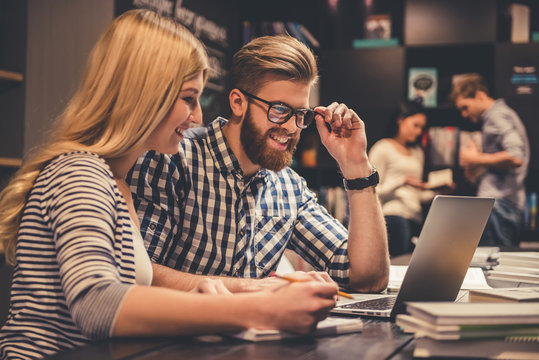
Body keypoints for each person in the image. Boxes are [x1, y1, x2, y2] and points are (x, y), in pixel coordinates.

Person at [0, 10, 339, 359]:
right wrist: (261, 307)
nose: (198, 117)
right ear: (144, 96)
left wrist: (225, 294)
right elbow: (97, 304)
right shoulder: (79, 173)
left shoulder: (118, 184)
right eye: (188, 99)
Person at [128, 34, 390, 293]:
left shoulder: (289, 188)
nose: (290, 127)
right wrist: (256, 289)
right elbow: (138, 273)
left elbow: (366, 277)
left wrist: (356, 167)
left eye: (300, 114)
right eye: (279, 110)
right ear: (238, 102)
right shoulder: (173, 159)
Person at [451, 73, 530, 246]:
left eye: (465, 107)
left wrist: (477, 158)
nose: (464, 114)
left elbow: (516, 157)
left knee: (490, 268)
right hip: (503, 204)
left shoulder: (496, 115)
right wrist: (477, 166)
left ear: (480, 95)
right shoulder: (498, 116)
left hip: (498, 206)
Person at [368, 101, 435, 256]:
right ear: (401, 120)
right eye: (415, 125)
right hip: (394, 216)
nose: (419, 131)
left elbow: (416, 195)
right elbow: (372, 191)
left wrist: (439, 191)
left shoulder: (418, 151)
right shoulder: (382, 148)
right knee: (398, 264)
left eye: (422, 127)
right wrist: (401, 181)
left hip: (416, 218)